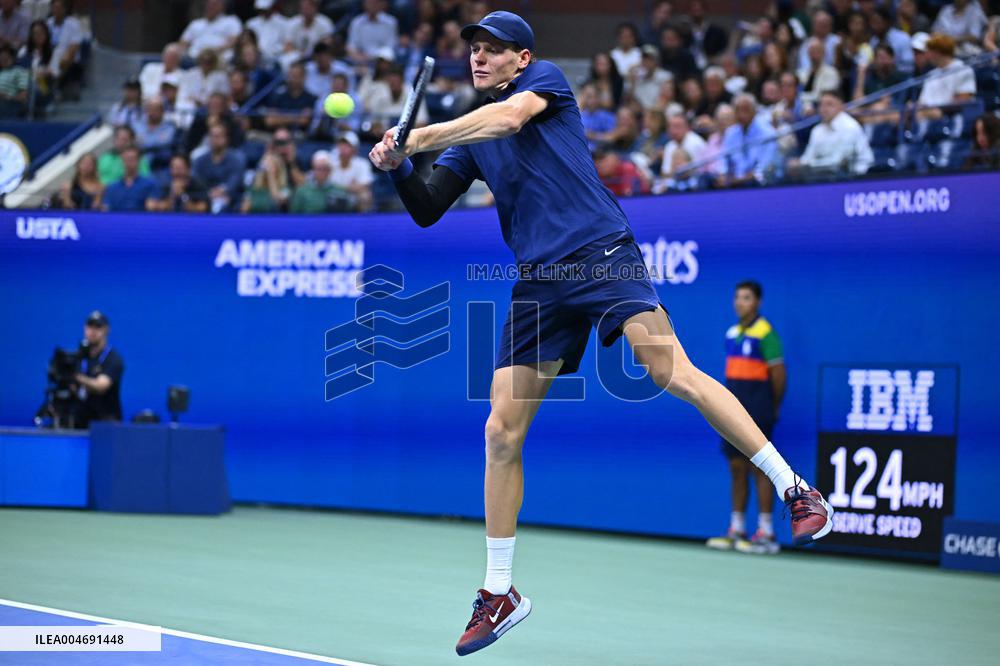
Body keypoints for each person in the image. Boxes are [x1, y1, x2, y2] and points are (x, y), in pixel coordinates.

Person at [368, 11, 834, 657]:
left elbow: (505, 119)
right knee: (500, 431)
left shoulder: (547, 84)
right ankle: (499, 592)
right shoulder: (468, 138)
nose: (480, 58)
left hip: (599, 254)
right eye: (474, 49)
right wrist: (395, 165)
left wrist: (414, 136)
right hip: (538, 281)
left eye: (494, 50)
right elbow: (425, 210)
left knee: (672, 372)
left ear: (522, 60)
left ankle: (796, 488)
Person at [706, 281, 785, 555]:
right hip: (733, 411)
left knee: (760, 468)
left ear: (758, 302)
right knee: (736, 467)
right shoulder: (731, 333)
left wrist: (771, 407)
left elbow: (779, 375)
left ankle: (766, 533)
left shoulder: (766, 334)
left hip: (760, 409)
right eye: (737, 297)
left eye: (747, 298)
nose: (740, 302)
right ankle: (736, 528)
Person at [790, 90, 874, 176]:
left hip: (857, 177)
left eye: (829, 104)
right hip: (827, 176)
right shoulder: (817, 130)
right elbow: (808, 157)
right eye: (821, 105)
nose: (824, 109)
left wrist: (808, 164)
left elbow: (838, 161)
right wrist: (799, 163)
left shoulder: (849, 127)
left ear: (841, 106)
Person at [72, 311, 124, 428]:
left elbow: (101, 386)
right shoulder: (78, 358)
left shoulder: (113, 359)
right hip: (80, 421)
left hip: (105, 423)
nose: (93, 331)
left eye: (98, 327)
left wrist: (76, 377)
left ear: (106, 330)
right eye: (90, 326)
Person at [718, 94, 778, 186]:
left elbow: (764, 168)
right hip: (734, 181)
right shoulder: (731, 133)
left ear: (754, 111)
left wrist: (742, 179)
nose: (741, 114)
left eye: (745, 110)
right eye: (738, 110)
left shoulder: (767, 132)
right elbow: (724, 161)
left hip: (758, 182)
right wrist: (723, 175)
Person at [916, 33, 976, 118]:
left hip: (946, 115)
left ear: (938, 52)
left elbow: (964, 99)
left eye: (930, 50)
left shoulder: (963, 69)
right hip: (924, 113)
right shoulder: (931, 74)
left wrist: (941, 110)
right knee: (895, 114)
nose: (927, 55)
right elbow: (922, 102)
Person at [192, 123, 246, 212]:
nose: (215, 139)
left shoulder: (236, 159)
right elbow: (197, 180)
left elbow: (235, 181)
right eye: (212, 136)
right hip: (206, 197)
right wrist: (209, 192)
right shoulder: (200, 160)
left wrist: (223, 190)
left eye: (218, 136)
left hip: (230, 198)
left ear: (226, 139)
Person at [655, 113, 705, 193]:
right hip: (674, 184)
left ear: (687, 128)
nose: (674, 130)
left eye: (678, 126)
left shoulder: (696, 143)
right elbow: (665, 173)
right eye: (671, 127)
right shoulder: (669, 146)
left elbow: (699, 171)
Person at [102, 144, 158, 211]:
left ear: (139, 161)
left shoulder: (150, 184)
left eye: (132, 159)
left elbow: (152, 209)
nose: (129, 162)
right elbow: (105, 210)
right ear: (122, 160)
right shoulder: (112, 187)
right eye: (126, 159)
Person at [329, 131, 373, 211]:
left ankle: (363, 221)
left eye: (347, 145)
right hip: (331, 196)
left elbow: (364, 186)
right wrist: (350, 187)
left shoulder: (363, 164)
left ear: (355, 149)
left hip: (353, 198)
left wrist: (339, 187)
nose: (343, 147)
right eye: (341, 144)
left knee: (365, 195)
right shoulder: (330, 162)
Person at [347, 0, 398, 64]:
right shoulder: (356, 22)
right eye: (369, 2)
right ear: (364, 4)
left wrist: (373, 58)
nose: (372, 5)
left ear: (381, 4)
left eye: (375, 2)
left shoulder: (390, 22)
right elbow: (351, 47)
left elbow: (390, 46)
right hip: (361, 60)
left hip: (382, 60)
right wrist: (361, 59)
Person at [626, 44, 672, 111]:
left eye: (649, 59)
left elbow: (666, 99)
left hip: (660, 112)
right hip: (642, 113)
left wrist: (651, 113)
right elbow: (631, 101)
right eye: (644, 59)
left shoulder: (665, 76)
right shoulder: (637, 78)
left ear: (656, 60)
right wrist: (632, 82)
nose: (646, 62)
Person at [246, 0, 288, 66]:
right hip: (256, 58)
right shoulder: (252, 23)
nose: (263, 12)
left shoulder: (283, 23)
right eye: (261, 10)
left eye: (265, 9)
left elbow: (286, 44)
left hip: (276, 58)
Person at [0, 39, 26, 117]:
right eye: (1, 59)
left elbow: (23, 97)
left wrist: (7, 97)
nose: (3, 60)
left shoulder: (20, 72)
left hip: (9, 105)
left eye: (6, 58)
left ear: (13, 58)